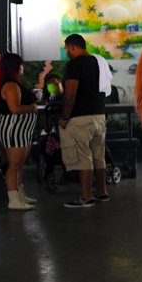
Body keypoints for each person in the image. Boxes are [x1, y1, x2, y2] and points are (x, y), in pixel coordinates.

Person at [59, 34, 108, 208]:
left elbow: (70, 93)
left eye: (66, 49)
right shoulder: (99, 62)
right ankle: (102, 193)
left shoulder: (74, 64)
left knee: (83, 156)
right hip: (99, 115)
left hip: (80, 117)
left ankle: (86, 197)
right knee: (99, 156)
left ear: (72, 47)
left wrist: (65, 117)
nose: (66, 52)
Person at [0, 53, 39, 211]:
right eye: (20, 64)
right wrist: (32, 107)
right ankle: (13, 199)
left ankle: (20, 194)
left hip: (21, 129)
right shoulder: (10, 85)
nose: (22, 67)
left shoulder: (14, 84)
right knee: (14, 165)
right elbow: (15, 108)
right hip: (14, 128)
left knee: (18, 165)